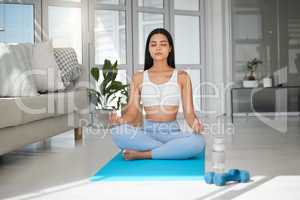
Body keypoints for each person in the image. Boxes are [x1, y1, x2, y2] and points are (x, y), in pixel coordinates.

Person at [107, 28, 205, 160]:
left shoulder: (182, 77)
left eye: (163, 44)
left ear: (170, 48)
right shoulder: (138, 77)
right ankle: (171, 150)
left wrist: (195, 124)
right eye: (153, 44)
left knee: (198, 142)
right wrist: (120, 121)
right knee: (117, 132)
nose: (158, 48)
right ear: (148, 49)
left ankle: (145, 154)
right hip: (148, 134)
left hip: (173, 132)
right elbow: (132, 113)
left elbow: (189, 113)